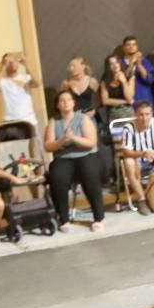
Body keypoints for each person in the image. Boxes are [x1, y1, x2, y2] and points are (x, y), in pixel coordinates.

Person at [43, 90, 105, 232]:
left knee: (90, 174)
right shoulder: (54, 121)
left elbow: (91, 142)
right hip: (64, 158)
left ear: (73, 103)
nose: (65, 102)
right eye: (62, 100)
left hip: (86, 155)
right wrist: (62, 141)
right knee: (57, 177)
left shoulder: (83, 118)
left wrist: (73, 138)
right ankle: (63, 219)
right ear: (57, 105)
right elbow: (48, 146)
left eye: (69, 99)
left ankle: (99, 217)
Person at [0, 53, 40, 127]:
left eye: (14, 61)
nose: (12, 64)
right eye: (9, 62)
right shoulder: (2, 81)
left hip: (30, 121)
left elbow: (37, 83)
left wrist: (26, 65)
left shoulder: (25, 78)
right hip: (10, 122)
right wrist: (3, 66)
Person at [119, 36, 154, 114]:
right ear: (123, 47)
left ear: (137, 47)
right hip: (129, 104)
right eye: (128, 45)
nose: (131, 47)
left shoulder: (144, 61)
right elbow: (125, 77)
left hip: (145, 100)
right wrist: (132, 62)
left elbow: (150, 79)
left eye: (133, 44)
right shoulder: (119, 63)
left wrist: (139, 64)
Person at [61, 57, 100, 121]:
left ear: (83, 66)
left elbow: (99, 100)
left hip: (89, 116)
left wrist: (94, 110)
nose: (71, 68)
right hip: (73, 117)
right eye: (70, 66)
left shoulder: (92, 81)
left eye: (74, 66)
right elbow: (61, 101)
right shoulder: (66, 83)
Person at [100, 55, 135, 122]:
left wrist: (124, 82)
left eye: (117, 62)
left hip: (127, 112)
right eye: (112, 64)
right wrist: (124, 102)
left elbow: (129, 97)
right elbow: (105, 101)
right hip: (113, 114)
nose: (115, 65)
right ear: (108, 67)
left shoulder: (129, 76)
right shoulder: (105, 80)